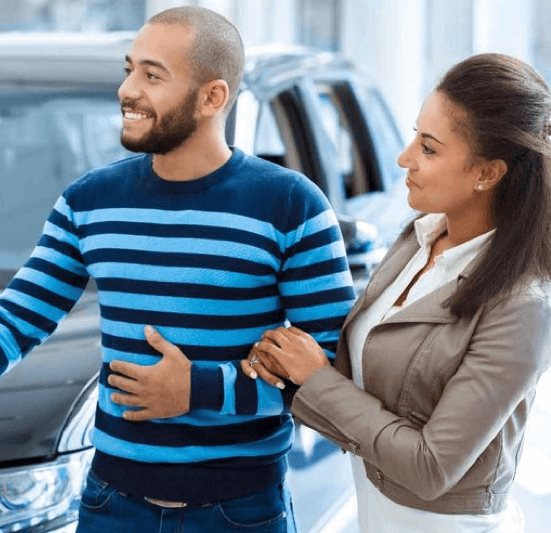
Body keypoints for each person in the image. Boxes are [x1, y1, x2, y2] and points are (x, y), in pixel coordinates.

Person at [0, 6, 356, 532]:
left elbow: (333, 372)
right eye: (129, 69)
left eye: (152, 75)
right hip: (114, 505)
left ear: (213, 97)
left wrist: (198, 390)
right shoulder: (90, 201)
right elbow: (17, 319)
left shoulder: (291, 205)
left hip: (240, 509)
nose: (127, 89)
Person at [228, 53, 551, 532]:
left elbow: (431, 467)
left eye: (429, 148)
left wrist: (314, 379)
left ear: (487, 173)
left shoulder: (522, 306)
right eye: (414, 135)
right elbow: (361, 393)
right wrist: (283, 368)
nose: (404, 158)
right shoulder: (417, 238)